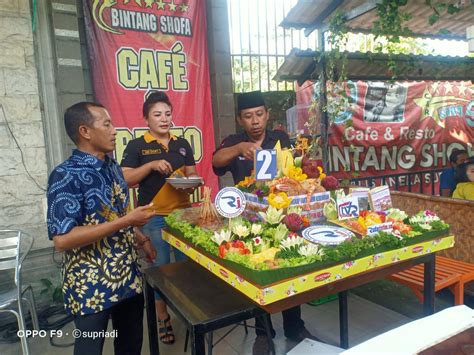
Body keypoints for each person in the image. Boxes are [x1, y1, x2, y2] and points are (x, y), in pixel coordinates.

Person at [47, 102, 157, 355]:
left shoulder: (112, 168)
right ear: (85, 131)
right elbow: (63, 239)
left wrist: (141, 239)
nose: (114, 130)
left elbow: (114, 215)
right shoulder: (65, 175)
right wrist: (127, 221)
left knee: (130, 345)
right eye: (106, 124)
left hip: (127, 278)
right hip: (90, 287)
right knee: (89, 348)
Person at [212, 90, 318, 354]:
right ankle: (263, 332)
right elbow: (216, 162)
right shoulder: (234, 141)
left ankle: (294, 325)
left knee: (289, 270)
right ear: (240, 119)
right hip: (249, 222)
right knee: (258, 276)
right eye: (248, 116)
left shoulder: (279, 138)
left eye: (259, 114)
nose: (255, 121)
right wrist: (238, 149)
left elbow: (296, 166)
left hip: (282, 218)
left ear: (267, 115)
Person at [121, 91, 200, 345]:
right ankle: (163, 317)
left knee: (188, 269)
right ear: (146, 118)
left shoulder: (182, 143)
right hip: (153, 216)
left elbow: (192, 174)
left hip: (184, 215)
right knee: (161, 270)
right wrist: (150, 166)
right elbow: (125, 179)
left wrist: (189, 184)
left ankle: (190, 313)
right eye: (157, 114)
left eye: (167, 114)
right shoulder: (136, 146)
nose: (164, 119)